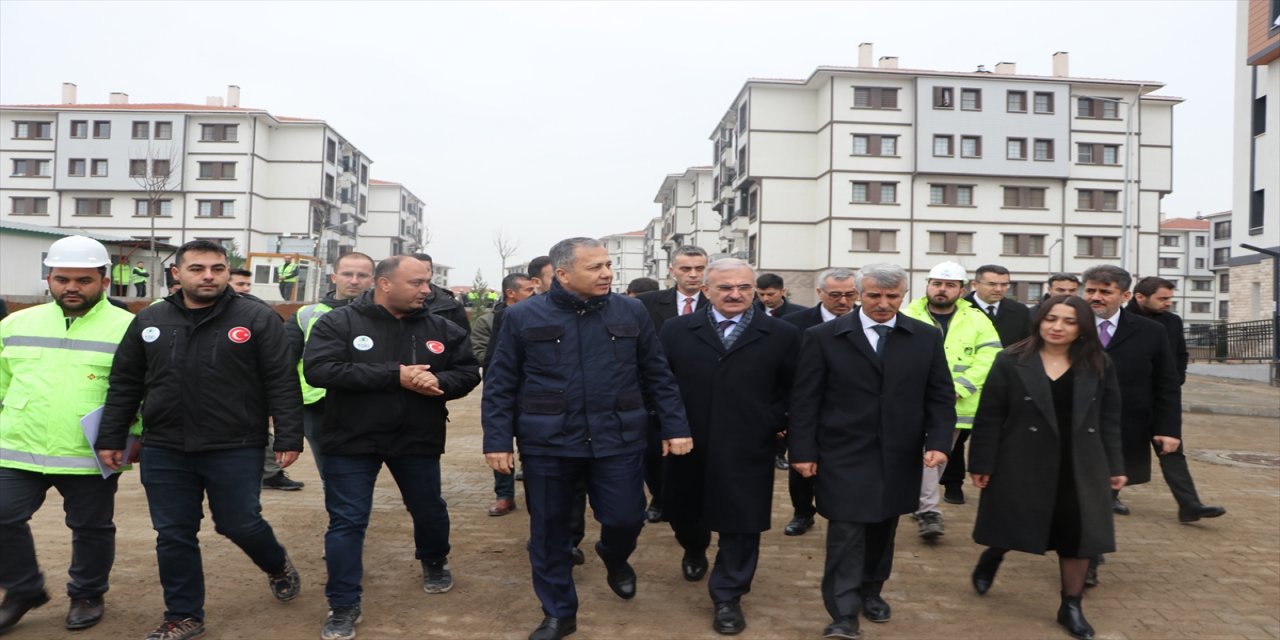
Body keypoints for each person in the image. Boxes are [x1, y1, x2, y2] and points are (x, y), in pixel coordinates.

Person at [482, 237, 693, 640]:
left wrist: (675, 426)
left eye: (608, 265)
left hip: (618, 436)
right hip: (548, 442)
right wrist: (496, 441)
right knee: (548, 531)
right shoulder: (523, 316)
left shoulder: (631, 310)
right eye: (594, 267)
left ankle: (614, 556)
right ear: (562, 274)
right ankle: (559, 613)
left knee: (625, 517)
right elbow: (501, 383)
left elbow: (658, 373)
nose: (607, 274)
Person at [97, 239, 304, 640]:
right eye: (197, 268)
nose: (208, 276)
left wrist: (289, 434)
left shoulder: (257, 318)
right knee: (173, 533)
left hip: (235, 444)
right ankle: (184, 614)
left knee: (239, 523)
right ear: (176, 274)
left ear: (227, 272)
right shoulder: (149, 320)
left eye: (217, 268)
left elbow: (281, 379)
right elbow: (125, 382)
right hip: (164, 447)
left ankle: (276, 563)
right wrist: (112, 435)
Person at [304, 255, 481, 640]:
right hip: (351, 439)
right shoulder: (339, 323)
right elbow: (320, 369)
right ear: (384, 284)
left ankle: (434, 559)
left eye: (427, 282)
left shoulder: (443, 327)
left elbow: (468, 372)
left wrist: (439, 383)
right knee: (347, 521)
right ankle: (343, 603)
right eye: (417, 283)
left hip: (416, 438)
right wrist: (394, 376)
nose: (426, 290)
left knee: (428, 508)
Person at [789, 264, 955, 640]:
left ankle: (871, 590)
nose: (883, 304)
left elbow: (940, 396)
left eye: (892, 296)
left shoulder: (924, 338)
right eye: (875, 296)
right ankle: (843, 614)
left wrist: (939, 443)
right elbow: (805, 400)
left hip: (899, 452)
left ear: (904, 295)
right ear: (859, 295)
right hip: (842, 452)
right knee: (846, 531)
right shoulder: (824, 336)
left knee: (883, 526)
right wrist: (802, 450)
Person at [968, 295, 1126, 640]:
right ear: (1039, 320)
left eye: (1069, 321)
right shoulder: (1011, 360)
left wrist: (1116, 464)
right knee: (1016, 522)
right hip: (1021, 458)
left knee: (1078, 533)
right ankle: (993, 554)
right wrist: (981, 461)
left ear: (1082, 326)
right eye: (1051, 319)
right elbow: (990, 416)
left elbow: (1110, 418)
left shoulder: (1099, 363)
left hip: (1081, 463)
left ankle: (1071, 604)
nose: (1058, 327)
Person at [0, 236, 137, 635]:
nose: (71, 287)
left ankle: (87, 594)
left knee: (92, 528)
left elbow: (148, 389)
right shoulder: (16, 324)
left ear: (104, 282)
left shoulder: (131, 328)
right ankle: (24, 589)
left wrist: (135, 435)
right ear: (49, 279)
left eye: (83, 279)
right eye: (62, 279)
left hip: (92, 451)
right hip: (18, 447)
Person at [659, 258, 800, 635]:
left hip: (748, 445)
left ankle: (727, 596)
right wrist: (667, 428)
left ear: (755, 291)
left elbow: (793, 389)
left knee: (741, 522)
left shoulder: (781, 334)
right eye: (725, 288)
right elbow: (658, 382)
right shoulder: (675, 331)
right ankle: (693, 546)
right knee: (683, 511)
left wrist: (772, 421)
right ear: (705, 290)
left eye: (744, 287)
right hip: (686, 442)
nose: (735, 294)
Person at [1125, 276, 1225, 522]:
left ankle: (1189, 505)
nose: (1168, 303)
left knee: (1171, 449)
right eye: (1162, 298)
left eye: (1170, 298)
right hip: (1127, 399)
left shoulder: (1172, 322)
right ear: (1139, 297)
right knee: (1122, 449)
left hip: (1160, 399)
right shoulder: (1120, 321)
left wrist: (1174, 379)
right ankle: (1107, 497)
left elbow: (1180, 354)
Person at [780, 268, 859, 536]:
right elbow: (783, 368)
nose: (843, 301)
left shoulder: (869, 321)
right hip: (806, 407)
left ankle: (847, 513)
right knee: (802, 463)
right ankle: (802, 513)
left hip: (853, 409)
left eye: (850, 294)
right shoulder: (794, 323)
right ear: (819, 293)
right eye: (835, 294)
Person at [286, 252, 377, 481]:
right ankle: (341, 512)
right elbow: (283, 362)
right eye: (347, 274)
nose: (354, 280)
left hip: (367, 403)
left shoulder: (386, 316)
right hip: (316, 405)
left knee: (361, 467)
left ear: (373, 279)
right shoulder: (306, 314)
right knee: (330, 469)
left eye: (362, 275)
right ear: (334, 277)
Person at [635, 245, 709, 523]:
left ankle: (695, 502)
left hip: (702, 391)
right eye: (685, 269)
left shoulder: (718, 301)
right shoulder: (647, 303)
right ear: (672, 270)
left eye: (699, 269)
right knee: (653, 455)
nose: (692, 275)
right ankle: (660, 497)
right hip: (655, 393)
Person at [944, 264, 1028, 505]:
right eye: (992, 284)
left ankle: (997, 482)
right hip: (964, 385)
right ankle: (953, 484)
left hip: (1003, 386)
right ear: (975, 285)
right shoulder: (958, 308)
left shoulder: (1019, 311)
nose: (999, 289)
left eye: (1004, 284)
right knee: (956, 439)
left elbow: (1025, 346)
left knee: (1000, 437)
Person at [229, 267, 305, 491]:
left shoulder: (258, 311)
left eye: (247, 284)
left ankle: (270, 472)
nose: (245, 289)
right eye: (239, 284)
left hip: (250, 391)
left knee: (258, 431)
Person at [471, 272, 538, 516]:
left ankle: (536, 497)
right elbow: (479, 351)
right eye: (528, 290)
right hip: (499, 389)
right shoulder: (489, 321)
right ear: (511, 293)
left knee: (530, 445)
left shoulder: (536, 317)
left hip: (531, 393)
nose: (534, 295)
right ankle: (504, 496)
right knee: (500, 444)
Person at [411, 253, 470, 333]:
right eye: (416, 270)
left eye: (426, 270)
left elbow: (462, 340)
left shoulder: (451, 306)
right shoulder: (393, 302)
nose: (421, 274)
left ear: (432, 273)